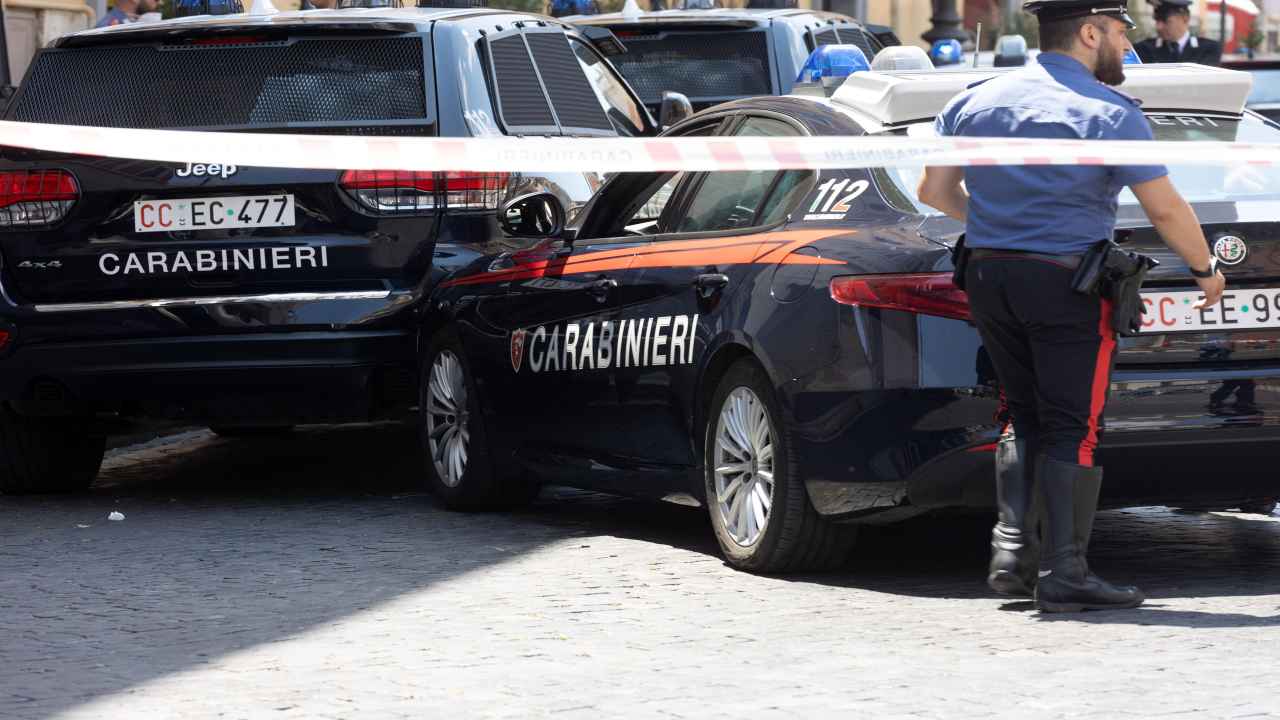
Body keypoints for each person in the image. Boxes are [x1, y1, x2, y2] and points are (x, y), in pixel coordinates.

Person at [918, 0, 1226, 613]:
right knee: (1072, 424)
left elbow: (934, 191)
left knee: (1021, 411)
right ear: (1089, 32)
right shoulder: (1110, 113)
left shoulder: (974, 102)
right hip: (1065, 283)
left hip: (988, 273)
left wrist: (1003, 227)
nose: (1126, 46)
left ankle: (1011, 556)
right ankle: (1066, 572)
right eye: (1119, 33)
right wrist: (1204, 270)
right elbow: (1165, 209)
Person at [1132, 0, 1222, 66]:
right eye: (1157, 20)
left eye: (1165, 21)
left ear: (1185, 18)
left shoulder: (1208, 49)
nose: (1158, 27)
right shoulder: (1144, 49)